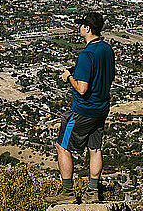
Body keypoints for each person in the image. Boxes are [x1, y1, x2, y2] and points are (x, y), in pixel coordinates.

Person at [46, 11, 115, 204]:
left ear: (87, 28)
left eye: (81, 25)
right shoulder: (106, 49)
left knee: (62, 146)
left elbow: (82, 88)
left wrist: (69, 77)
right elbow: (105, 74)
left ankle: (67, 192)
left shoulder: (86, 54)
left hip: (82, 110)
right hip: (101, 108)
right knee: (95, 148)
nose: (79, 28)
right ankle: (93, 191)